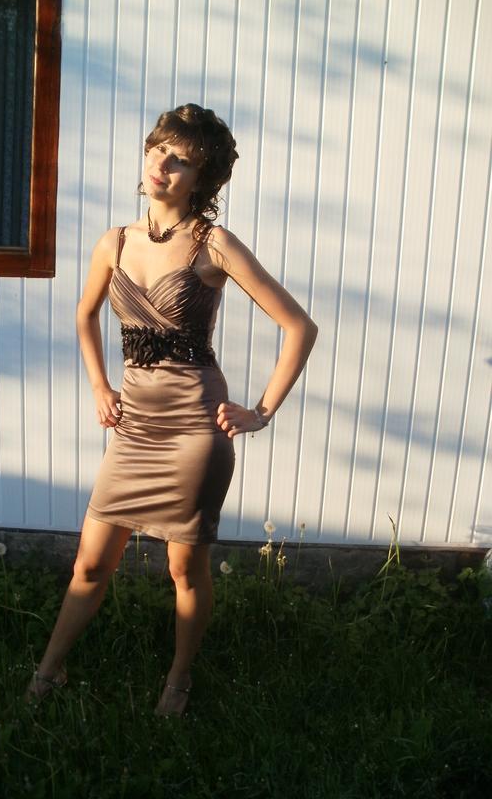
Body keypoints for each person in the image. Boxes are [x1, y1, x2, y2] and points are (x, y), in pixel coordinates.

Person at [24, 103, 318, 716]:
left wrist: (261, 410)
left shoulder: (213, 244)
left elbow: (299, 327)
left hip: (193, 431)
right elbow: (84, 315)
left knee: (185, 568)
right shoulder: (115, 242)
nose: (163, 164)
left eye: (181, 159)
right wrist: (100, 387)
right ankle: (47, 673)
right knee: (89, 564)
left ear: (201, 179)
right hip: (134, 428)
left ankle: (179, 680)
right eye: (159, 149)